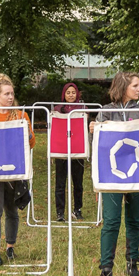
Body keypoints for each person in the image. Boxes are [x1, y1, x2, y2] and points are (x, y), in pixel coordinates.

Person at [89, 72, 139, 276]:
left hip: (137, 173)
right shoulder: (105, 112)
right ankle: (106, 269)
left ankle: (132, 262)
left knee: (135, 220)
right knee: (111, 222)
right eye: (135, 86)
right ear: (123, 87)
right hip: (112, 176)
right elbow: (97, 144)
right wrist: (93, 130)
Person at [0, 74, 35, 266]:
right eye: (6, 94)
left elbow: (31, 143)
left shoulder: (21, 116)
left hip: (14, 171)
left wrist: (28, 134)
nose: (10, 97)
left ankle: (10, 246)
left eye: (12, 94)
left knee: (12, 212)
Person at [54, 82, 85, 222]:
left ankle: (77, 210)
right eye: (68, 92)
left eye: (73, 92)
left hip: (77, 149)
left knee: (78, 183)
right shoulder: (57, 109)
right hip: (61, 150)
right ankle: (60, 212)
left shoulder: (83, 108)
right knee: (60, 183)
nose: (71, 95)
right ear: (64, 94)